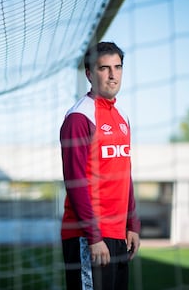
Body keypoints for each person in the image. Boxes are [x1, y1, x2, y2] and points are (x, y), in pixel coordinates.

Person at [60, 41, 141, 290]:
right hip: (88, 236)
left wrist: (132, 224)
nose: (112, 74)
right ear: (89, 74)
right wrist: (94, 236)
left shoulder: (122, 117)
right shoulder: (79, 118)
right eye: (104, 68)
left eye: (117, 67)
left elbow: (124, 175)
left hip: (118, 234)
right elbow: (75, 183)